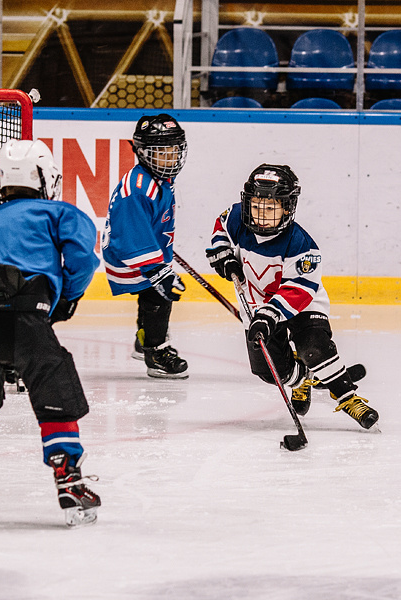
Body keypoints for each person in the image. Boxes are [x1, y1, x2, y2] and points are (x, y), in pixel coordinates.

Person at [0, 139, 101, 527]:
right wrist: (67, 297)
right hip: (29, 317)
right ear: (46, 178)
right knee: (54, 389)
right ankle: (67, 475)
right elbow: (82, 259)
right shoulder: (61, 213)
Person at [205, 164, 379, 429]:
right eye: (256, 207)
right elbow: (221, 228)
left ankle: (348, 397)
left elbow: (298, 290)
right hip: (257, 306)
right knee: (269, 371)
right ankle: (302, 379)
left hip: (302, 305)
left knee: (314, 348)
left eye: (271, 209)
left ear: (287, 208)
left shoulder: (301, 245)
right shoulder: (237, 217)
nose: (262, 215)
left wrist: (269, 314)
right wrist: (223, 255)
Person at [102, 113, 189, 379]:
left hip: (143, 247)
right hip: (128, 256)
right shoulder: (138, 190)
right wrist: (156, 269)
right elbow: (130, 237)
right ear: (142, 153)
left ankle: (145, 337)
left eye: (174, 151)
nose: (170, 158)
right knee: (159, 295)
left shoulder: (159, 179)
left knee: (155, 292)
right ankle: (155, 351)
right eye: (162, 153)